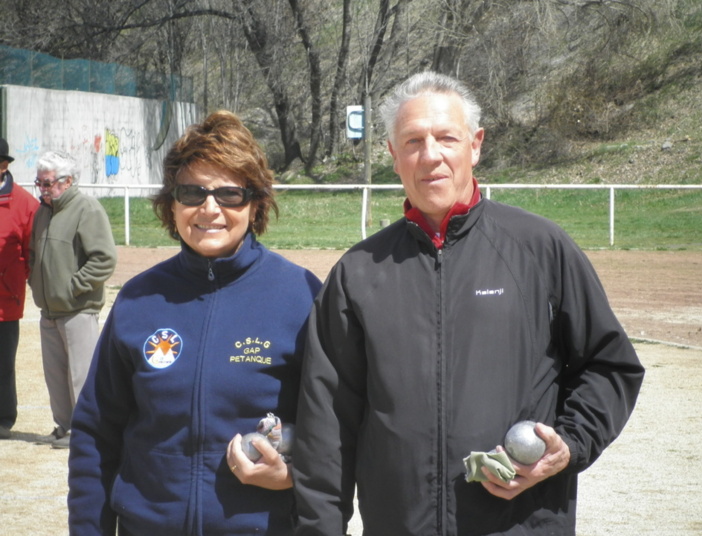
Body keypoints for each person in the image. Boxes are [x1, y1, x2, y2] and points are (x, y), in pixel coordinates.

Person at [293, 71, 645, 535]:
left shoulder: (540, 248)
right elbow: (326, 424)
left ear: (475, 145)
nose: (431, 155)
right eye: (413, 141)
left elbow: (608, 364)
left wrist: (571, 443)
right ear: (393, 155)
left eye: (446, 138)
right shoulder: (358, 272)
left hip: (521, 523)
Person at [68, 110, 323, 535]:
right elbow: (96, 432)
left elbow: (335, 431)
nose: (210, 209)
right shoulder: (138, 299)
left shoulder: (301, 295)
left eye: (230, 194)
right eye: (192, 193)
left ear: (256, 202)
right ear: (172, 203)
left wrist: (293, 477)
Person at [29, 150, 117, 449]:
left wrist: (72, 288)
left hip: (79, 309)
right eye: (39, 182)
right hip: (49, 311)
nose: (42, 188)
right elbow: (33, 255)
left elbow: (104, 259)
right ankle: (63, 425)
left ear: (67, 181)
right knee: (55, 377)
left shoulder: (87, 209)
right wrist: (36, 284)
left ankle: (85, 431)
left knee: (81, 377)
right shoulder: (42, 212)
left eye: (47, 183)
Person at [0, 138, 39, 439]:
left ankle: (3, 419)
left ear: (4, 165)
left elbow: (32, 251)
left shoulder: (26, 203)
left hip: (5, 300)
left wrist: (13, 280)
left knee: (3, 364)